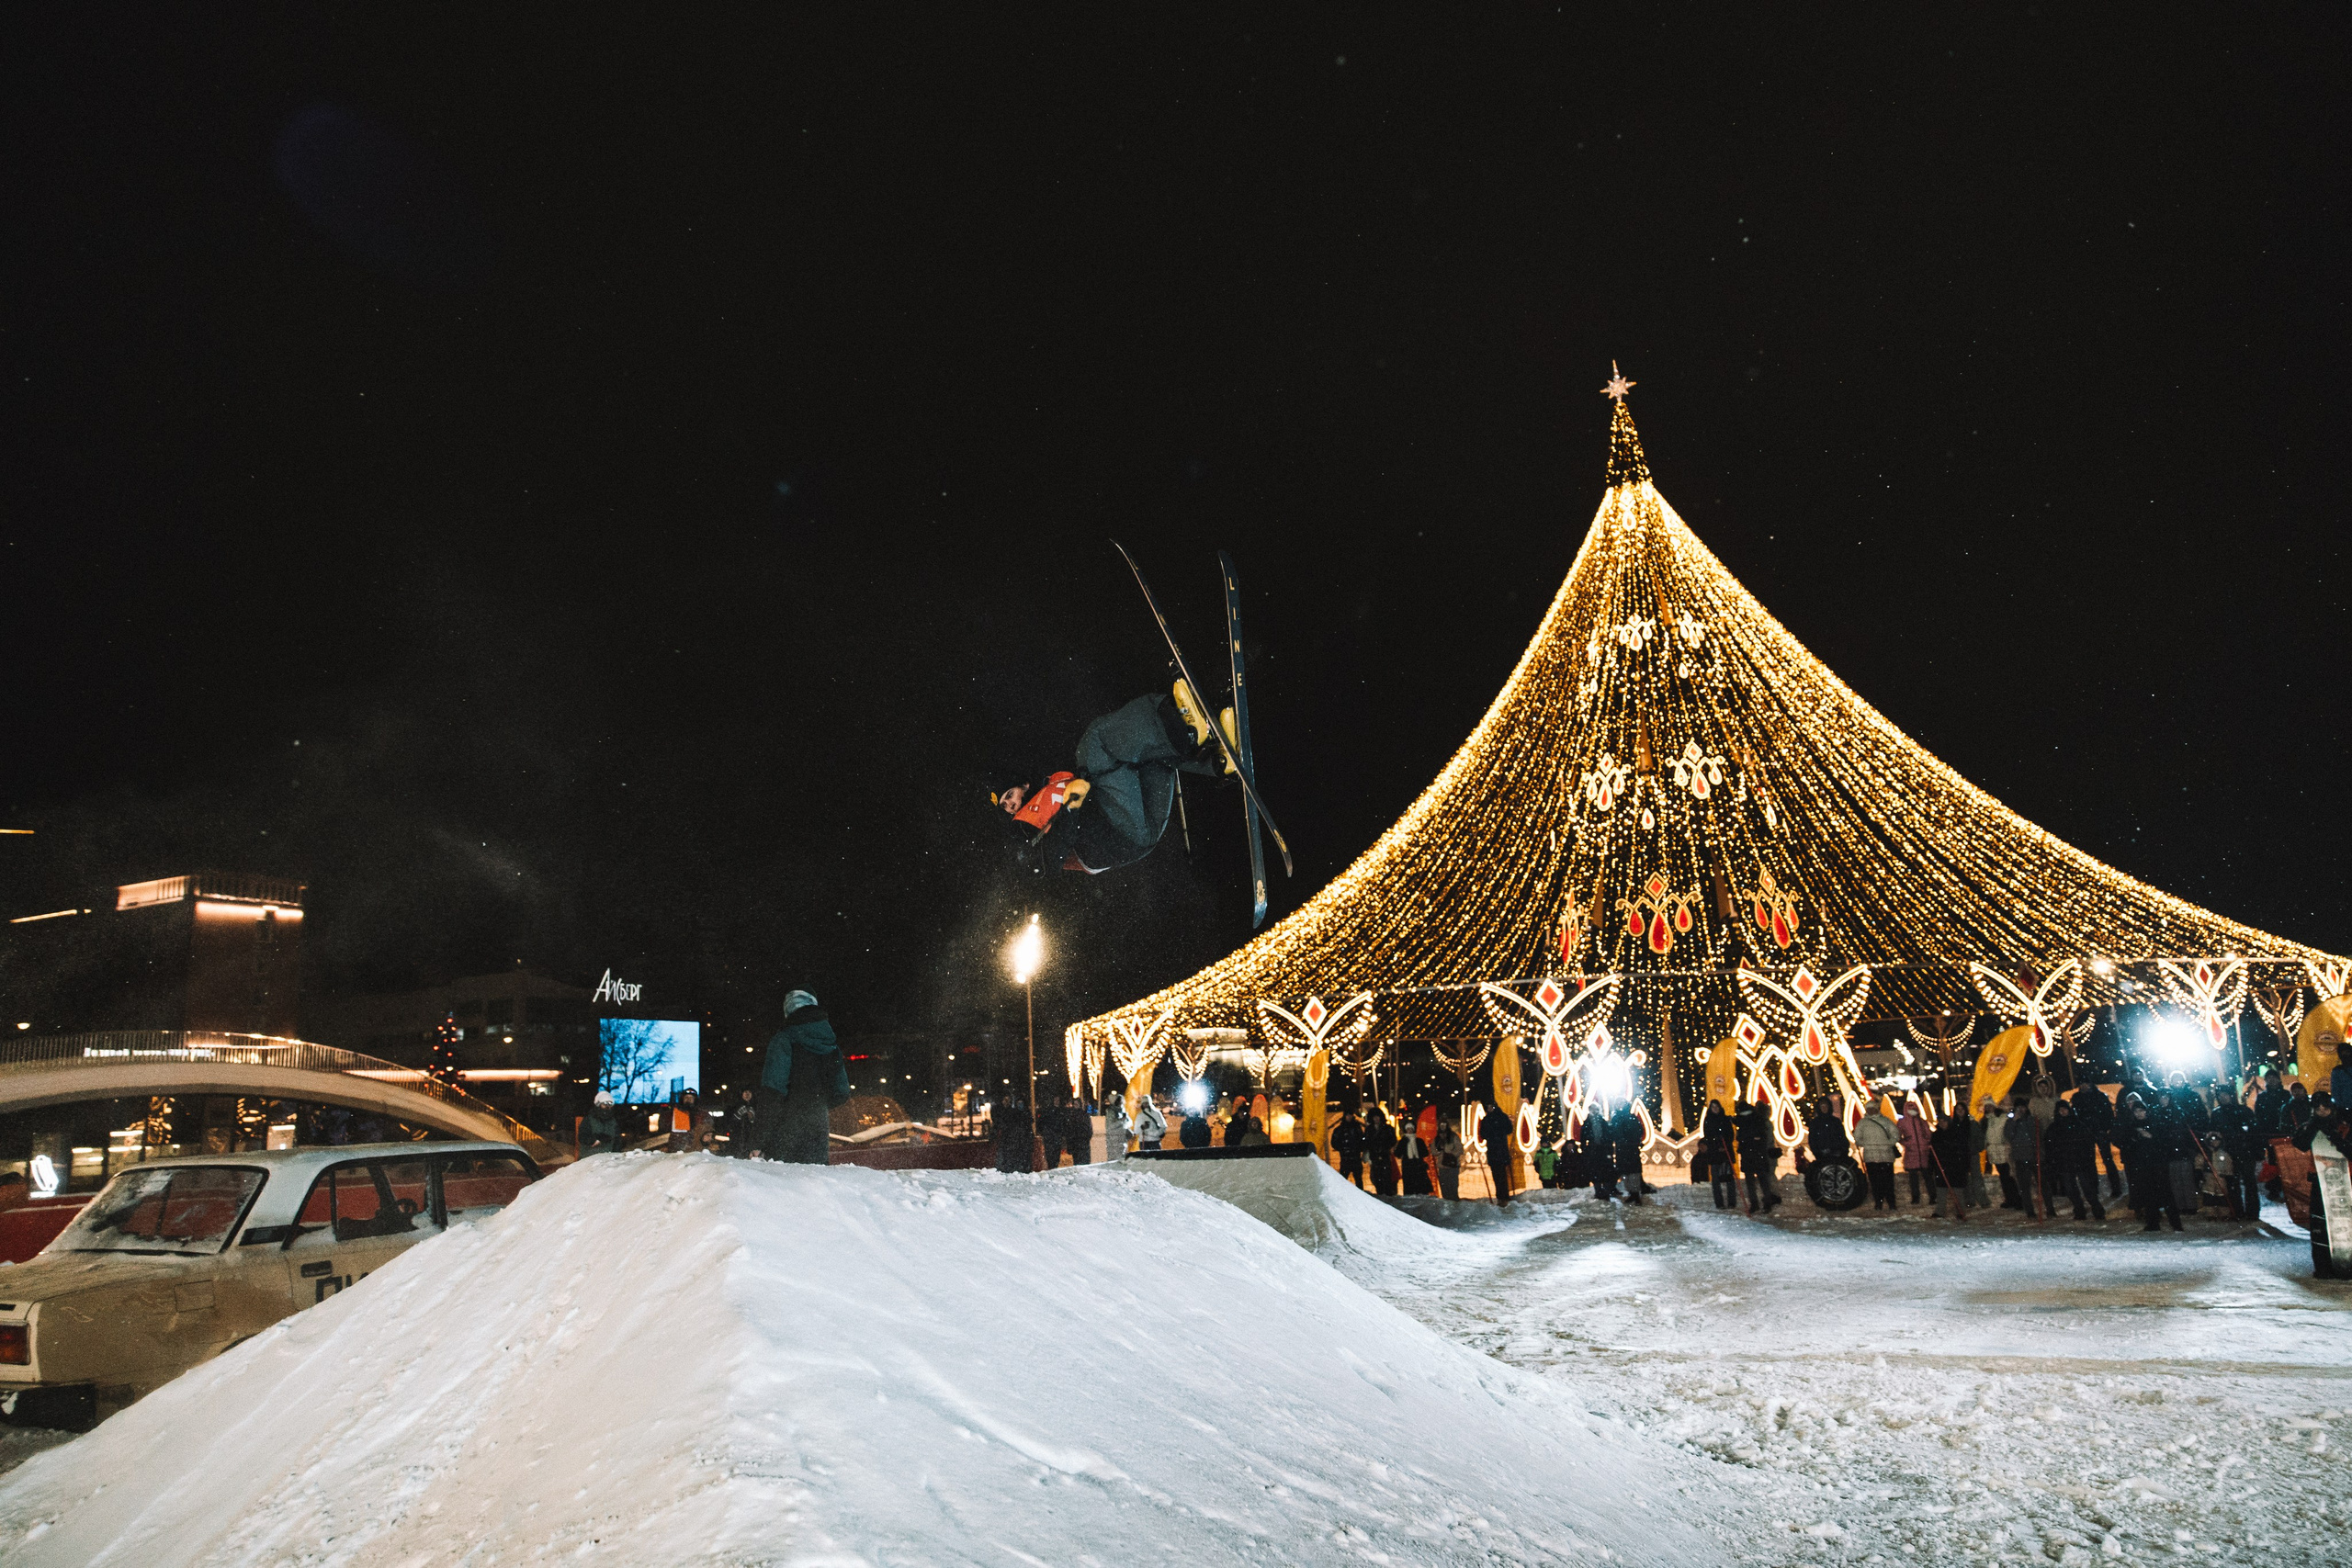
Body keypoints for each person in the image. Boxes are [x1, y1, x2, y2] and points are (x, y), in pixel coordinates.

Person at [993, 681, 1233, 874]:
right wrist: (1071, 809)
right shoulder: (1024, 824)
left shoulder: (1052, 782)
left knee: (1150, 754)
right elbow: (1046, 863)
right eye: (1005, 806)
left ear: (1023, 784)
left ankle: (1219, 761)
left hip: (1140, 831)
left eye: (1009, 796)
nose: (1011, 806)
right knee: (1092, 743)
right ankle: (1188, 732)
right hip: (1121, 833)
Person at [759, 988, 852, 1164]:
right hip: (818, 1127)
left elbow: (772, 1092)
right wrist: (817, 1104)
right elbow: (842, 1092)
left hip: (785, 1130)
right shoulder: (830, 1044)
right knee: (816, 1184)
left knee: (786, 1186)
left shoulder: (783, 1040)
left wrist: (758, 1140)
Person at [2121, 1092, 2185, 1232]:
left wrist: (2151, 1136)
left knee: (2166, 1194)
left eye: (2141, 1111)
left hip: (2158, 1165)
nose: (2139, 1114)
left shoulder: (2156, 1124)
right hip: (2143, 1166)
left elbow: (2164, 1142)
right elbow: (2127, 1145)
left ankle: (2176, 1224)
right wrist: (2135, 1139)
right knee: (2149, 1195)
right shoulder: (2132, 1127)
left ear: (2146, 1111)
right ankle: (2153, 1223)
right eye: (2136, 1111)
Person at [2045, 1099, 2107, 1221]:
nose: (2063, 1112)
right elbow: (2050, 1146)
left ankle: (2097, 1210)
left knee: (2087, 1188)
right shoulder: (2054, 1128)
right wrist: (2054, 1161)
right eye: (2060, 1110)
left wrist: (2088, 1158)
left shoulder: (2078, 1124)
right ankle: (2079, 1210)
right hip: (2065, 1163)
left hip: (2080, 1161)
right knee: (2070, 1189)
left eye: (2065, 1109)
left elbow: (2088, 1142)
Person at [2208, 1086, 2263, 1219]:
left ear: (2231, 1095)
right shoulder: (2217, 1113)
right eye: (2220, 1095)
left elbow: (2254, 1132)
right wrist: (2215, 1141)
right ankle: (2236, 1211)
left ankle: (2252, 1212)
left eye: (2225, 1094)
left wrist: (2257, 1152)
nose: (2223, 1097)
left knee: (2249, 1182)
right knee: (2232, 1183)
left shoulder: (2244, 1111)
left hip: (2245, 1151)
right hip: (2227, 1152)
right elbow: (2212, 1132)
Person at [2075, 1083, 2123, 1201]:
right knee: (2091, 1162)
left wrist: (2106, 1128)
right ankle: (2094, 1189)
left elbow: (2108, 1113)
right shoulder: (2078, 1098)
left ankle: (2116, 1188)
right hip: (2087, 1133)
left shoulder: (2099, 1096)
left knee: (2107, 1159)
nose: (2084, 1086)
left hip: (2100, 1131)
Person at [1928, 1100, 1974, 1221]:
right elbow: (1932, 1151)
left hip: (1955, 1166)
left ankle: (1960, 1210)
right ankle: (1940, 1211)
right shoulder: (1936, 1135)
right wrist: (1932, 1165)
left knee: (1957, 1190)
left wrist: (1964, 1164)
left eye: (1944, 1121)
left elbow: (1962, 1149)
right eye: (1940, 1121)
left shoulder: (1956, 1133)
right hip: (1941, 1166)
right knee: (1941, 1190)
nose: (1942, 1123)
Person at [1734, 1098, 1780, 1214]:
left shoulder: (1742, 1122)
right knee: (1763, 1179)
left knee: (1751, 1181)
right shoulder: (1758, 1119)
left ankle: (1755, 1204)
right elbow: (1761, 1137)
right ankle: (1767, 1203)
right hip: (1759, 1154)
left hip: (1748, 1155)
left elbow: (1740, 1138)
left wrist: (1746, 1140)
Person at [1855, 1100, 1902, 1212]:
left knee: (1888, 1182)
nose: (1871, 1110)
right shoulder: (1863, 1123)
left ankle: (1890, 1203)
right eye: (1869, 1108)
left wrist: (1889, 1143)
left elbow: (1895, 1134)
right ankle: (1879, 1202)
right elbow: (1857, 1137)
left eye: (1873, 1108)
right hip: (1872, 1157)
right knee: (1876, 1182)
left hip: (1884, 1156)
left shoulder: (1885, 1121)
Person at [2006, 1091, 2043, 1220]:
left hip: (2033, 1155)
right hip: (2020, 1157)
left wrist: (2039, 1152)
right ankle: (2030, 1211)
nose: (2021, 1110)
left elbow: (2038, 1136)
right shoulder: (2012, 1121)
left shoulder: (2032, 1120)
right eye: (2019, 1107)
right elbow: (2008, 1136)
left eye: (2023, 1107)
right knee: (2024, 1187)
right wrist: (2013, 1122)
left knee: (2041, 1183)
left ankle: (2049, 1208)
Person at [1701, 1099, 1740, 1210]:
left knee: (1729, 1178)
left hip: (1726, 1153)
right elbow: (1707, 1136)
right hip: (1714, 1153)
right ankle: (1719, 1203)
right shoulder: (1708, 1120)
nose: (1715, 1109)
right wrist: (1717, 1144)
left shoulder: (1725, 1119)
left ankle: (1732, 1202)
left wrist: (1725, 1145)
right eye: (1713, 1107)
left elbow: (1730, 1135)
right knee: (1716, 1179)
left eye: (1717, 1106)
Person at [1478, 1100, 1517, 1207]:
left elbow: (1509, 1129)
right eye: (1488, 1107)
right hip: (1493, 1150)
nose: (1489, 1109)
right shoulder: (1486, 1119)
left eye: (1491, 1107)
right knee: (1496, 1174)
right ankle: (1500, 1196)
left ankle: (1504, 1195)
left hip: (1501, 1149)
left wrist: (1497, 1131)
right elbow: (1483, 1134)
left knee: (1502, 1174)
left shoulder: (1501, 1117)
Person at [1896, 1099, 1932, 1205]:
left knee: (1927, 1176)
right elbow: (1897, 1135)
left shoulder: (1921, 1121)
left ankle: (1932, 1196)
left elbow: (1928, 1134)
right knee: (1914, 1178)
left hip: (1923, 1152)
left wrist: (1925, 1141)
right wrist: (1906, 1142)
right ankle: (1915, 1197)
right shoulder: (1903, 1122)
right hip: (1912, 1152)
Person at [1983, 1096, 2017, 1209]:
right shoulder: (1985, 1120)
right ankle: (2009, 1198)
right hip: (1993, 1151)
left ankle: (2015, 1198)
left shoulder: (2002, 1118)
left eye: (1989, 1105)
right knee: (2003, 1176)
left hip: (2003, 1149)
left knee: (2008, 1176)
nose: (1988, 1108)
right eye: (1986, 1106)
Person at [1611, 1102, 1646, 1204]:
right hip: (1625, 1150)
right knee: (1627, 1173)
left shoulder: (1629, 1118)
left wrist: (1631, 1141)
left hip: (1629, 1149)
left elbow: (1639, 1131)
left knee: (1632, 1173)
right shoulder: (1621, 1118)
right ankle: (1632, 1193)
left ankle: (1635, 1194)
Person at [666, 1088, 712, 1153]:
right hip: (677, 1150)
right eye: (686, 1097)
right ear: (682, 1099)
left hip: (697, 1149)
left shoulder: (703, 1114)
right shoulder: (675, 1114)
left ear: (695, 1100)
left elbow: (708, 1130)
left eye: (691, 1098)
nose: (688, 1099)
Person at [578, 1089, 622, 1157]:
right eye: (605, 1104)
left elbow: (617, 1142)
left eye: (610, 1104)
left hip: (609, 1158)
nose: (608, 1107)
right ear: (598, 1105)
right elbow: (582, 1137)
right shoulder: (590, 1119)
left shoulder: (613, 1122)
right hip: (590, 1158)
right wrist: (596, 1139)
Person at [1399, 1114, 1432, 1196]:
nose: (1409, 1131)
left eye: (1411, 1129)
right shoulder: (1403, 1141)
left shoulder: (1419, 1141)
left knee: (1420, 1185)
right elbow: (1398, 1153)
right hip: (1408, 1165)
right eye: (1408, 1129)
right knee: (1409, 1185)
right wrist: (1404, 1144)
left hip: (1418, 1164)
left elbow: (1425, 1153)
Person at [1432, 1118, 1464, 1201]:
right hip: (1442, 1164)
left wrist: (1451, 1155)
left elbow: (1460, 1148)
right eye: (1441, 1125)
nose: (1443, 1127)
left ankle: (1454, 1200)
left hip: (1452, 1165)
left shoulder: (1453, 1136)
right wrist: (1439, 1152)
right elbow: (1433, 1150)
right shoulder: (1437, 1138)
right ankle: (1446, 1201)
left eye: (1444, 1125)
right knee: (1444, 1185)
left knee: (1453, 1184)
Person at [727, 1088, 761, 1156]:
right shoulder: (734, 1106)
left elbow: (756, 1124)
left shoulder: (756, 1107)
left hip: (749, 1138)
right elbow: (731, 1122)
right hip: (737, 1138)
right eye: (745, 1092)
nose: (747, 1095)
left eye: (749, 1093)